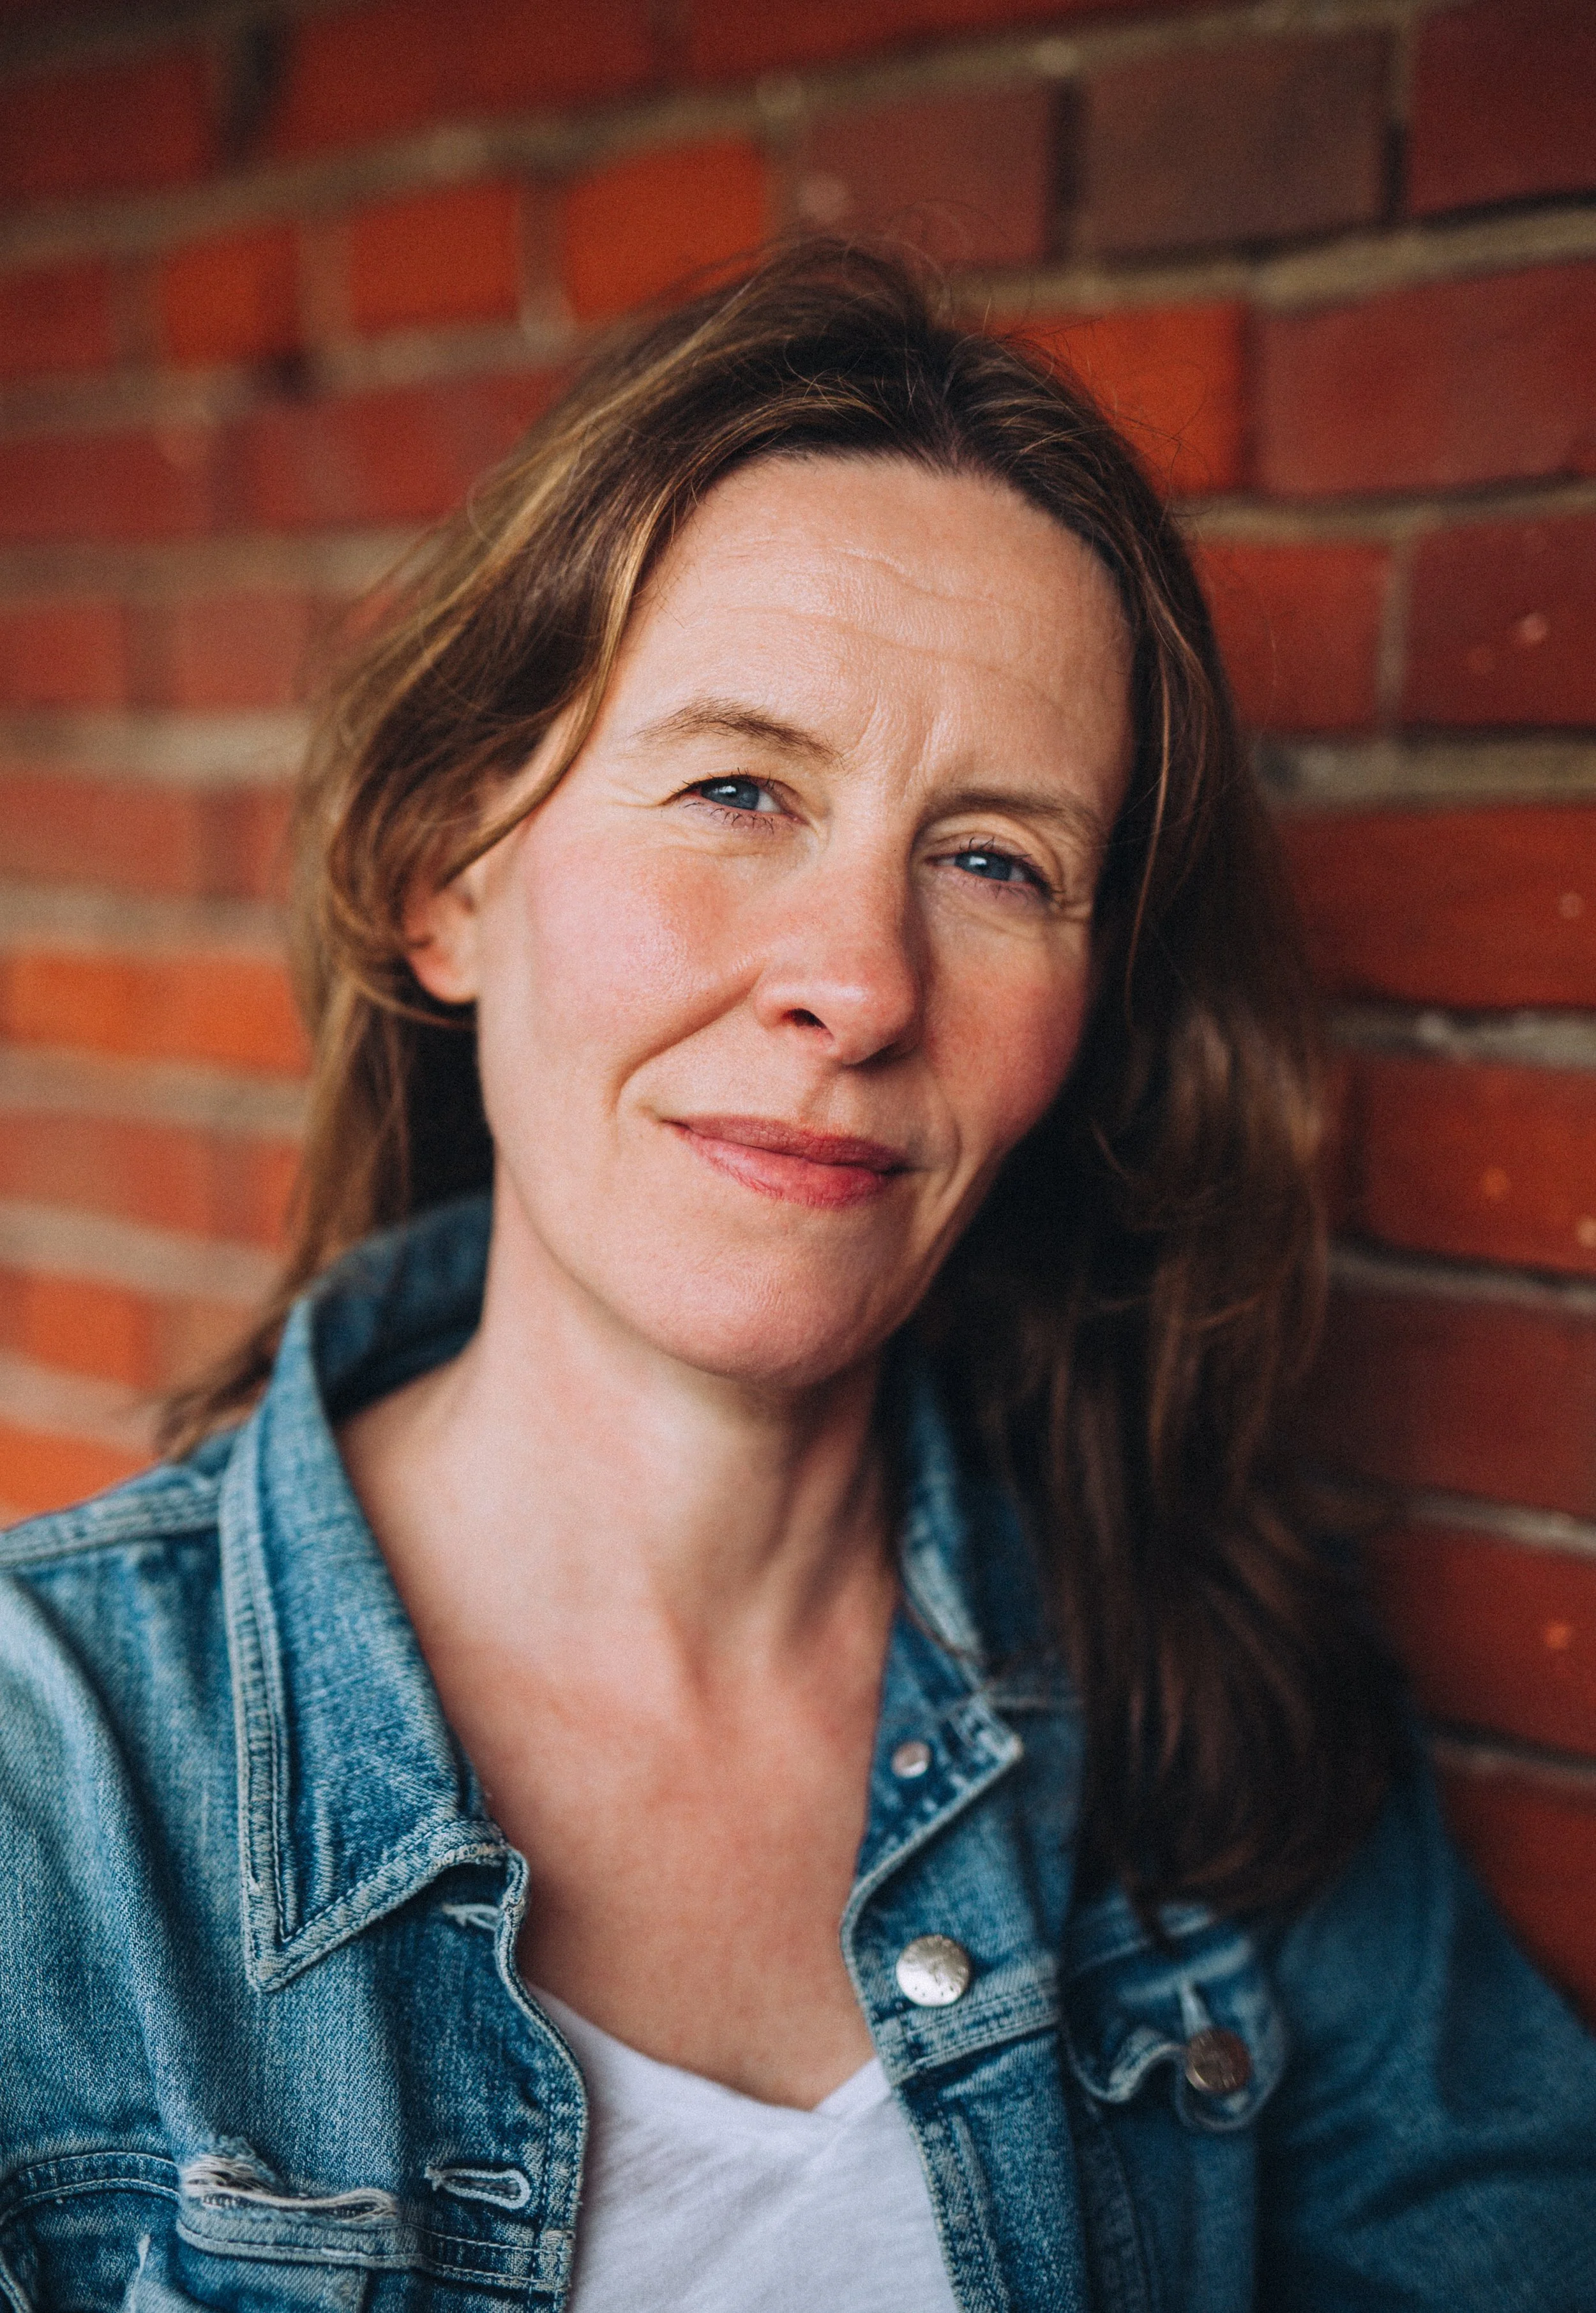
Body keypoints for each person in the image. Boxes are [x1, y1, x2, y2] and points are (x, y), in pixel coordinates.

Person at [1, 243, 1592, 2313]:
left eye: (993, 859)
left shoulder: (1198, 1690)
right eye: (738, 786)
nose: (856, 983)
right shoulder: (53, 1792)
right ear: (446, 878)